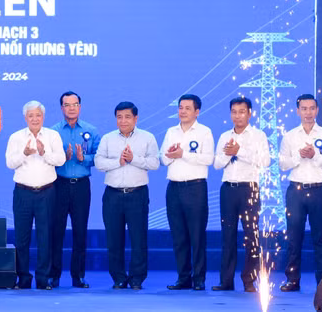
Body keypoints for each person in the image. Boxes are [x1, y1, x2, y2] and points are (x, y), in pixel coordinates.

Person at [94, 101, 159, 290]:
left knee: (138, 239)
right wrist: (119, 162)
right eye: (119, 117)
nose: (123, 121)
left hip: (137, 194)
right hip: (112, 195)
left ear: (136, 118)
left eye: (127, 116)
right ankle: (119, 278)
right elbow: (99, 162)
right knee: (114, 239)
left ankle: (137, 278)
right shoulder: (107, 138)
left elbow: (155, 163)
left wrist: (133, 159)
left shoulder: (147, 138)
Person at [279, 94, 322, 291]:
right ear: (297, 111)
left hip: (319, 191)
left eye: (311, 108)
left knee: (320, 237)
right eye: (303, 108)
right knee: (294, 237)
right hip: (295, 191)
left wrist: (315, 157)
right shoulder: (290, 136)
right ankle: (292, 280)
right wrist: (299, 155)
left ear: (317, 110)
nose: (308, 112)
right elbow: (282, 164)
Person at [5, 100, 65, 290]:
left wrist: (43, 152)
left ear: (43, 117)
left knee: (45, 237)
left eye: (38, 115)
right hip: (23, 193)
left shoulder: (52, 136)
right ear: (25, 118)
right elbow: (10, 163)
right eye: (31, 115)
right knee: (22, 238)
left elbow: (61, 159)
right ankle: (23, 278)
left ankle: (43, 279)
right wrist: (24, 154)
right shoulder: (16, 137)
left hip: (46, 192)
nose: (34, 119)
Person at [211, 97, 269, 292]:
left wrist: (240, 151)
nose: (237, 116)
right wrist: (229, 153)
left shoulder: (258, 135)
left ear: (250, 113)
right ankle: (226, 281)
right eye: (234, 112)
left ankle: (249, 280)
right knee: (227, 236)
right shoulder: (224, 136)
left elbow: (265, 161)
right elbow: (217, 164)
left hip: (249, 189)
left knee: (252, 236)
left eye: (241, 111)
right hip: (228, 189)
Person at [161, 94, 214, 291]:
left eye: (187, 108)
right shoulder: (171, 131)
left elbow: (208, 159)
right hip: (173, 188)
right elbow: (163, 159)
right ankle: (183, 278)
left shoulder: (204, 132)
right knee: (179, 236)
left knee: (197, 236)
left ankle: (199, 279)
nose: (182, 111)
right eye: (180, 107)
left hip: (195, 188)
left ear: (197, 111)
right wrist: (170, 154)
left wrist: (183, 154)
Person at [49, 91, 99, 288]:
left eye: (75, 104)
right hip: (58, 184)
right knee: (56, 231)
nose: (71, 108)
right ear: (61, 108)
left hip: (81, 186)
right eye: (67, 104)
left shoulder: (91, 130)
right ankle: (54, 275)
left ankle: (78, 276)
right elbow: (47, 159)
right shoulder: (52, 132)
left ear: (80, 106)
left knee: (80, 231)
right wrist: (62, 157)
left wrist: (82, 158)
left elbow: (99, 158)